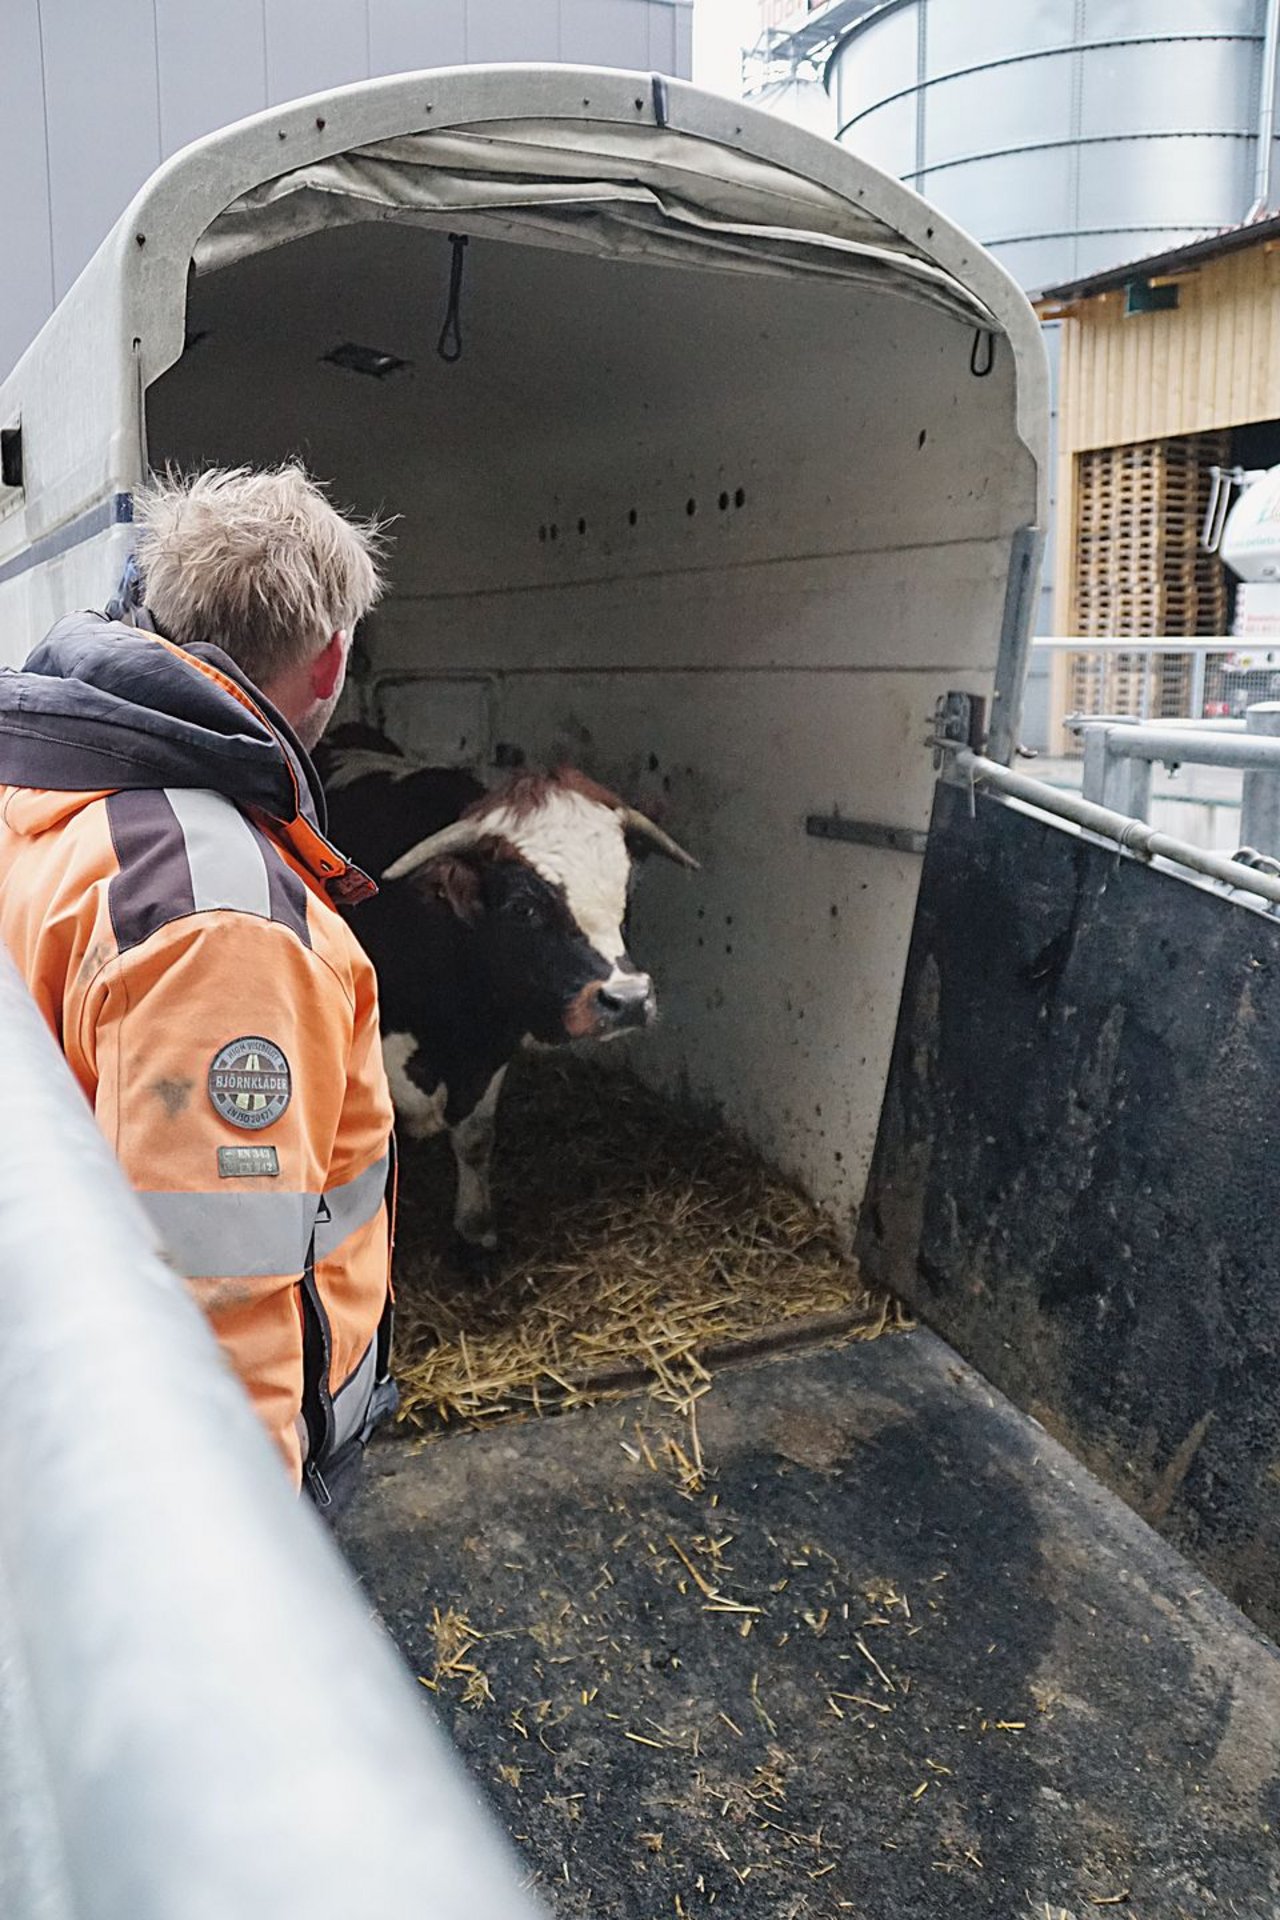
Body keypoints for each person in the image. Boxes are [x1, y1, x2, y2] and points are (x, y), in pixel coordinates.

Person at [0, 465, 396, 1510]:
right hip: (218, 1499)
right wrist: (245, 1568)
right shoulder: (221, 917)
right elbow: (217, 1302)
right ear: (330, 665)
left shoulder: (47, 784)